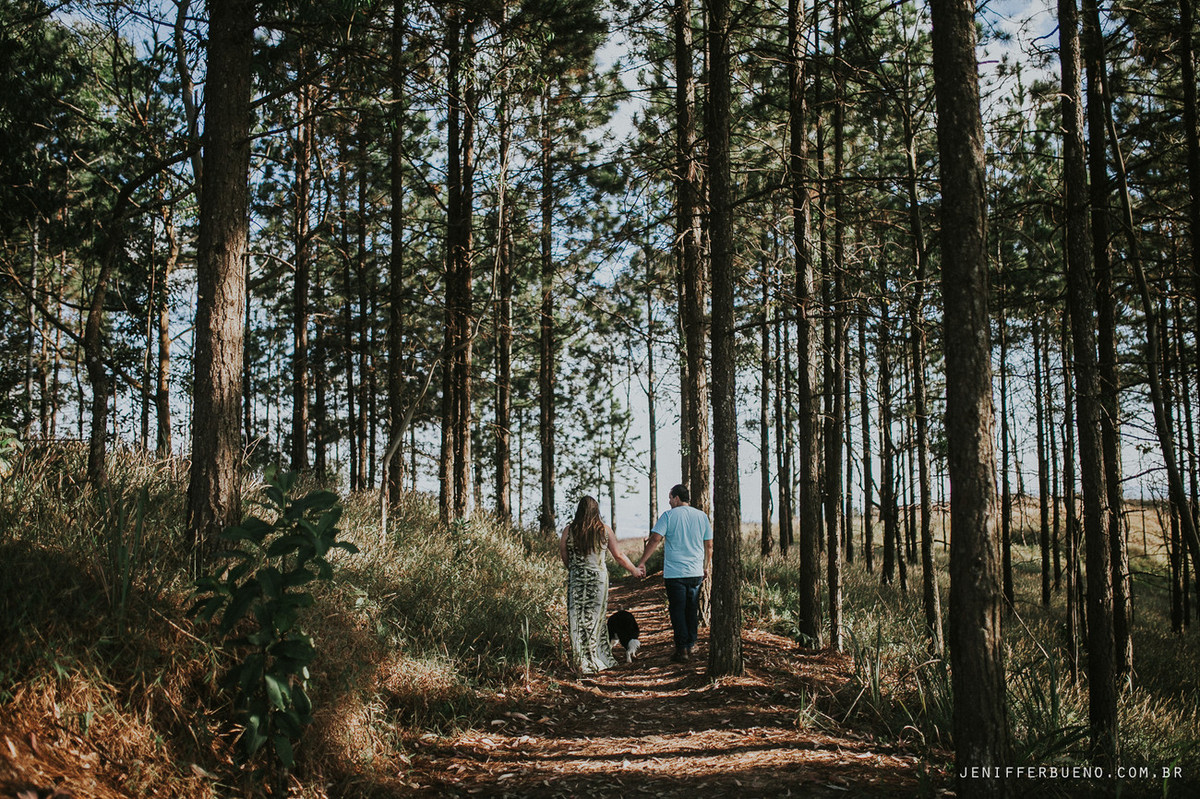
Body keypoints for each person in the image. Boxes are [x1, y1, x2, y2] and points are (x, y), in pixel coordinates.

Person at [559, 495, 644, 673]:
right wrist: (634, 570)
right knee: (595, 619)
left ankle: (581, 659)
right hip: (598, 581)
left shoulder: (569, 530)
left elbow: (564, 554)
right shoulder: (604, 530)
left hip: (577, 580)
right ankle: (596, 656)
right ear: (596, 511)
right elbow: (619, 555)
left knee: (577, 619)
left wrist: (575, 569)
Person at [636, 483, 713, 663]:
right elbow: (709, 545)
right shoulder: (702, 516)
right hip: (695, 572)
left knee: (677, 610)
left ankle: (682, 649)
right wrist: (706, 566)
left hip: (675, 573)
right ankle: (692, 643)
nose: (669, 502)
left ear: (677, 498)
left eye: (670, 498)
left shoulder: (668, 516)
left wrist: (642, 562)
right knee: (691, 608)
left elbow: (655, 539)